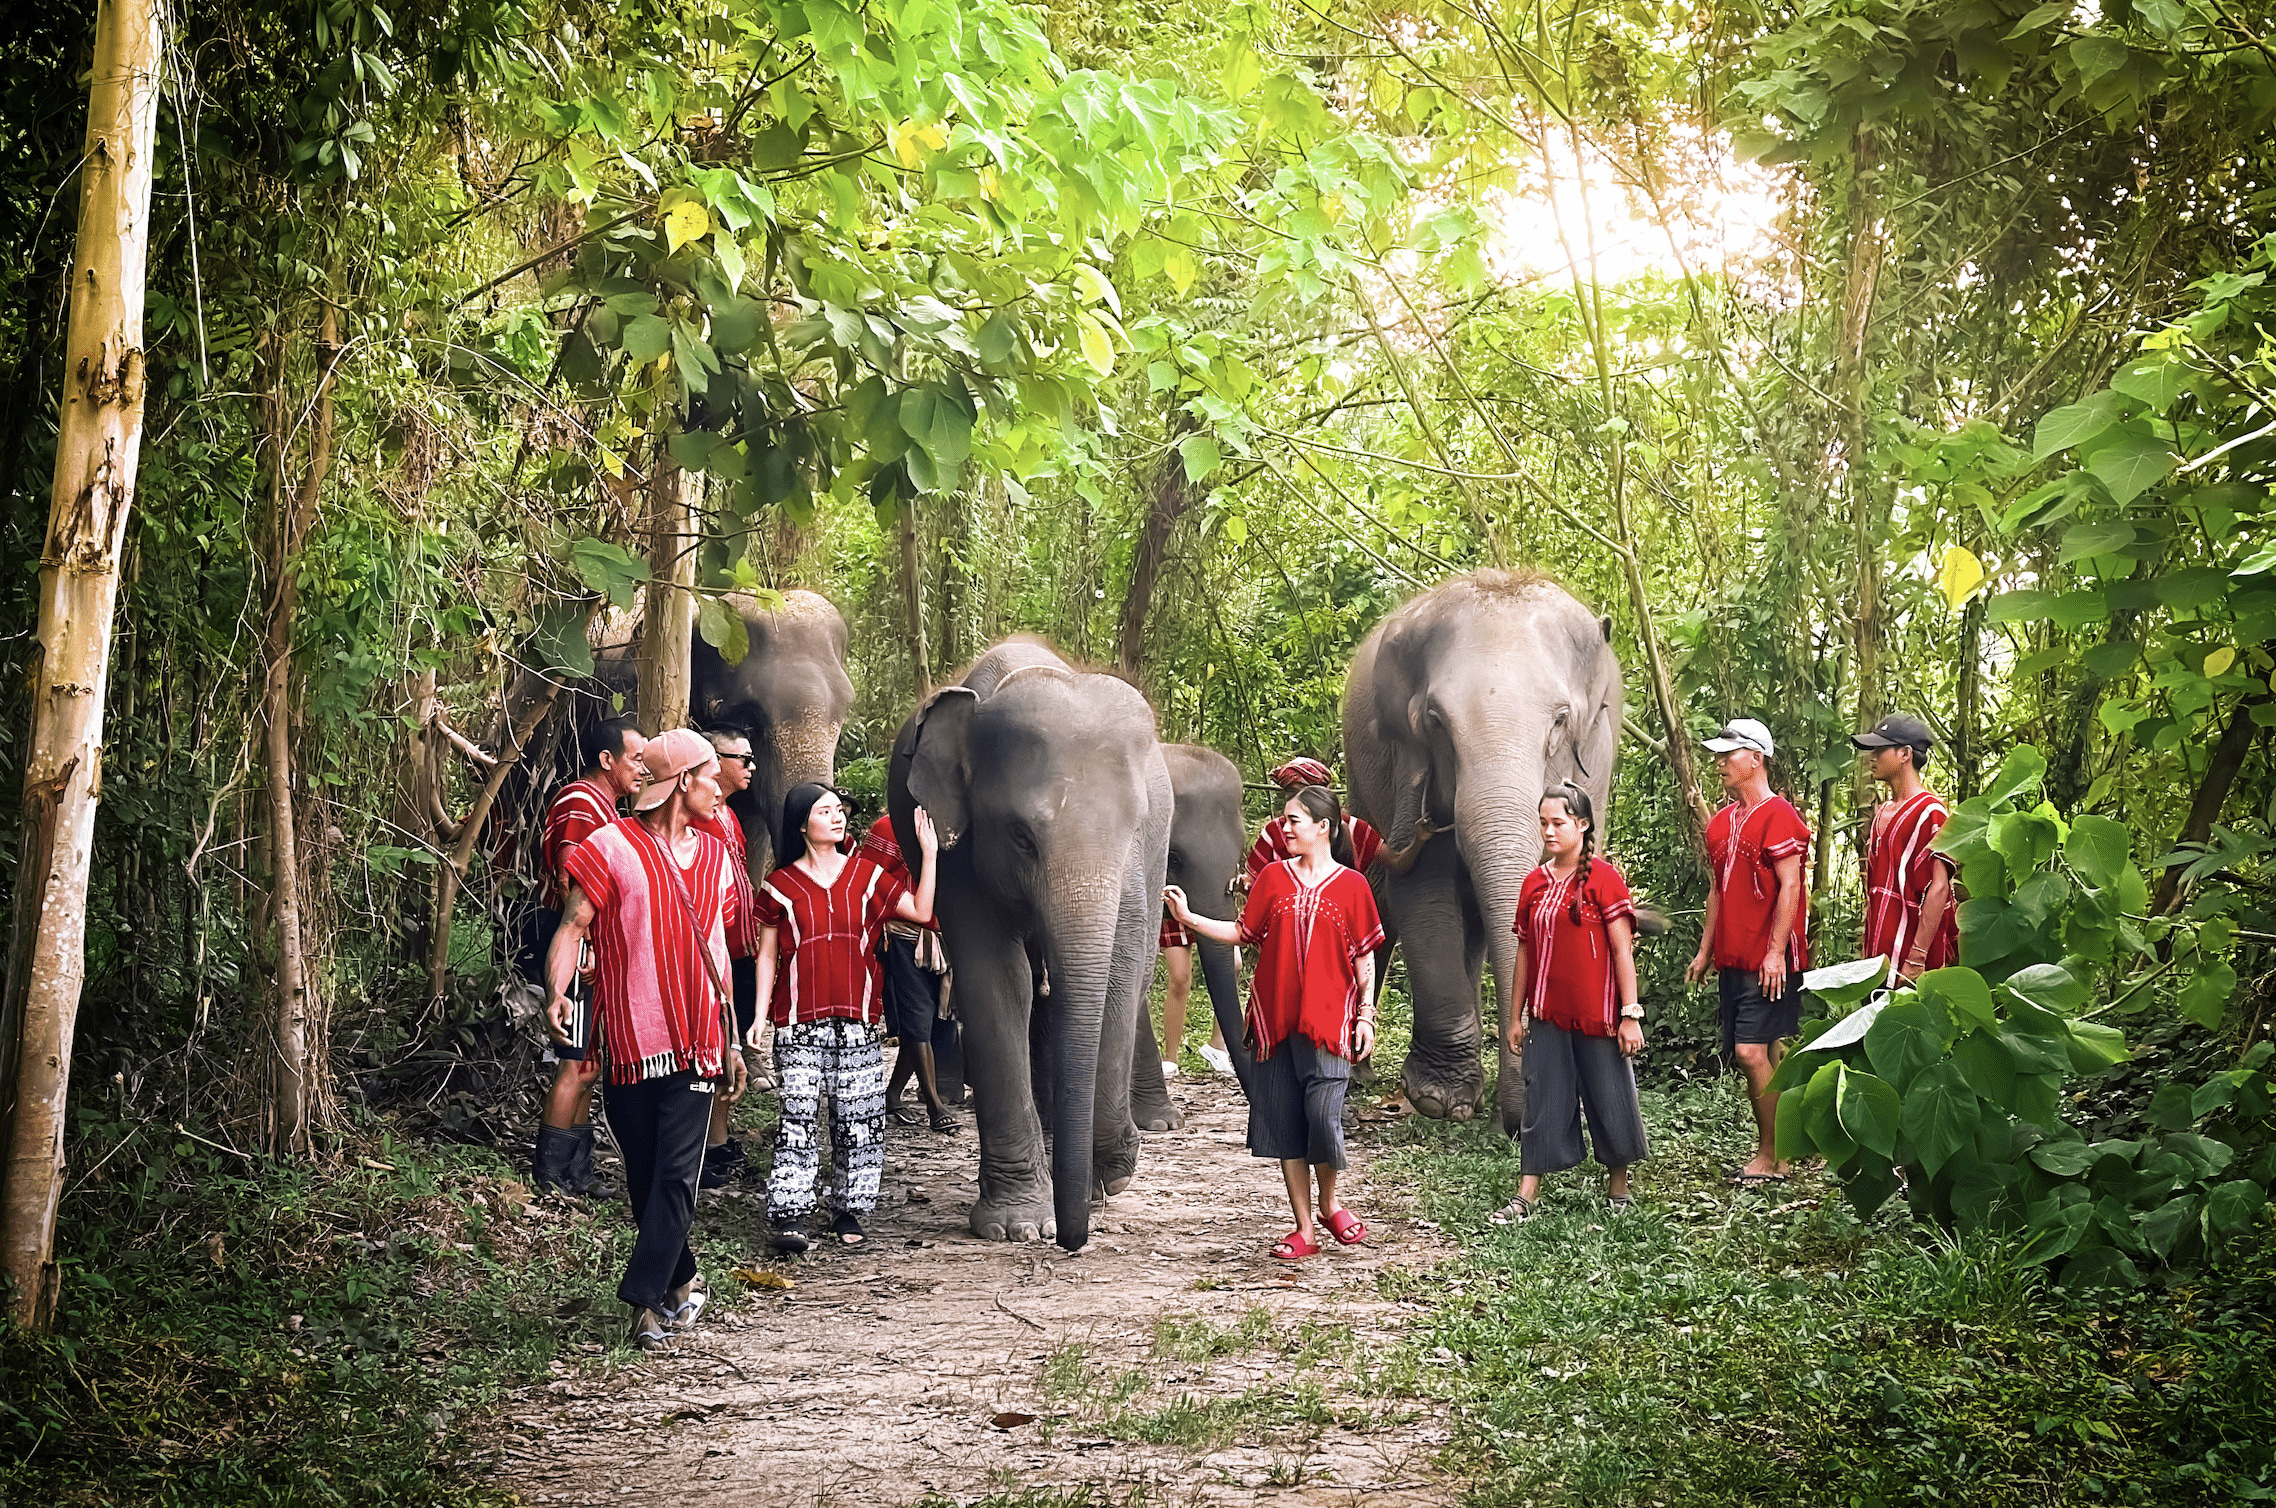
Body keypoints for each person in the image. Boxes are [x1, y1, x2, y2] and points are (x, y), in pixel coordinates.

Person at [545, 728, 746, 1350]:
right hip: (627, 1038)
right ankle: (683, 1281)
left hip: (696, 1040)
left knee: (678, 1175)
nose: (721, 787)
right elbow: (574, 925)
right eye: (712, 775)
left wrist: (732, 1038)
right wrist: (557, 990)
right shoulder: (608, 846)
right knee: (643, 1173)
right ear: (683, 782)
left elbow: (719, 949)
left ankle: (641, 1299)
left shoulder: (717, 858)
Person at [1166, 784, 1385, 1262]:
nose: (1283, 828)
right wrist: (1190, 918)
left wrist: (1366, 1014)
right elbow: (1244, 933)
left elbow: (1364, 956)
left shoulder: (1352, 886)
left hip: (1331, 1023)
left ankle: (1329, 1203)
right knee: (1286, 1121)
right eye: (1283, 820)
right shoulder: (1271, 878)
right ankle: (1304, 1227)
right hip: (1274, 1022)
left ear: (1323, 828)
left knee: (1323, 1115)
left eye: (1293, 820)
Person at [755, 785, 938, 1253]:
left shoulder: (868, 876)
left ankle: (849, 1210)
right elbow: (768, 955)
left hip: (857, 1018)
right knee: (797, 1116)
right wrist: (759, 1017)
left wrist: (930, 853)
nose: (838, 818)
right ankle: (790, 1214)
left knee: (858, 1118)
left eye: (841, 811)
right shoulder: (779, 885)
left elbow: (920, 911)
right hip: (796, 1020)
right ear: (801, 824)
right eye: (825, 811)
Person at [1490, 784, 1649, 1225]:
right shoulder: (1534, 882)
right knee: (1541, 1099)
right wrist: (1515, 1016)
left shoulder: (1603, 878)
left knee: (1609, 1096)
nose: (1548, 832)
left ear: (1581, 825)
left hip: (1599, 1017)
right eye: (1543, 823)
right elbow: (1524, 950)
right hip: (1547, 1017)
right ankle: (1526, 1195)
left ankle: (1619, 1188)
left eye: (1558, 823)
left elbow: (1621, 951)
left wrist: (1629, 1015)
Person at [1683, 718, 1811, 1187]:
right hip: (1734, 958)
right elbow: (1717, 890)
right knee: (1770, 1050)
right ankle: (1786, 1152)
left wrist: (1776, 952)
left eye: (1728, 754)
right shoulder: (1721, 822)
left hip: (1769, 961)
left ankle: (1770, 1155)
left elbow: (1791, 885)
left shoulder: (1782, 817)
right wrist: (1705, 950)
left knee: (1750, 1052)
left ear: (1756, 758)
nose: (1719, 763)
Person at [530, 716, 646, 1197]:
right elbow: (568, 880)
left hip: (592, 948)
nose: (643, 769)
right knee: (576, 1063)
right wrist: (590, 944)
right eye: (635, 759)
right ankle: (551, 1175)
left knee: (590, 1063)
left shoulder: (610, 808)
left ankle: (577, 1172)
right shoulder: (581, 801)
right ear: (606, 760)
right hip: (577, 946)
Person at [858, 811, 956, 1132]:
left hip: (941, 937)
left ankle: (892, 1094)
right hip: (902, 932)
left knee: (925, 1021)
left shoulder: (954, 824)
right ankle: (933, 1103)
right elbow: (866, 880)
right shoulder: (889, 827)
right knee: (917, 1017)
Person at [694, 731, 760, 1188]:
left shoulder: (729, 817)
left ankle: (719, 1140)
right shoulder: (697, 818)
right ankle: (707, 1148)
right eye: (744, 758)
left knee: (726, 1041)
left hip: (738, 946)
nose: (752, 766)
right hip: (709, 949)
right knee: (712, 1043)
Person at [1852, 714, 1957, 988]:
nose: (1871, 757)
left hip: (1911, 957)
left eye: (1879, 750)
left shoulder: (1931, 813)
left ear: (1905, 754)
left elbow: (1939, 888)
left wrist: (1917, 955)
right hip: (1879, 954)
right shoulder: (1882, 812)